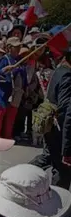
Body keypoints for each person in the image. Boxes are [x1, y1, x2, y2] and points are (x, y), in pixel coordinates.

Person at [45, 48, 71, 188]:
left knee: (47, 159)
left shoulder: (59, 70)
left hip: (51, 126)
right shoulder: (67, 75)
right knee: (62, 171)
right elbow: (65, 111)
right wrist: (66, 148)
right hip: (58, 130)